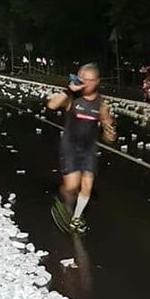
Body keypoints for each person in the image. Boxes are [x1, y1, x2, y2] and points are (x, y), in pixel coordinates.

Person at [46, 62, 115, 233]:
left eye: (91, 80)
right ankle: (62, 196)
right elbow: (52, 105)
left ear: (97, 81)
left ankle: (76, 218)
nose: (87, 83)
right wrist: (68, 90)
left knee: (87, 184)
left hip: (88, 148)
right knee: (71, 187)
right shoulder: (73, 98)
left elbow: (108, 130)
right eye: (83, 79)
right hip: (70, 146)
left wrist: (110, 134)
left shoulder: (101, 104)